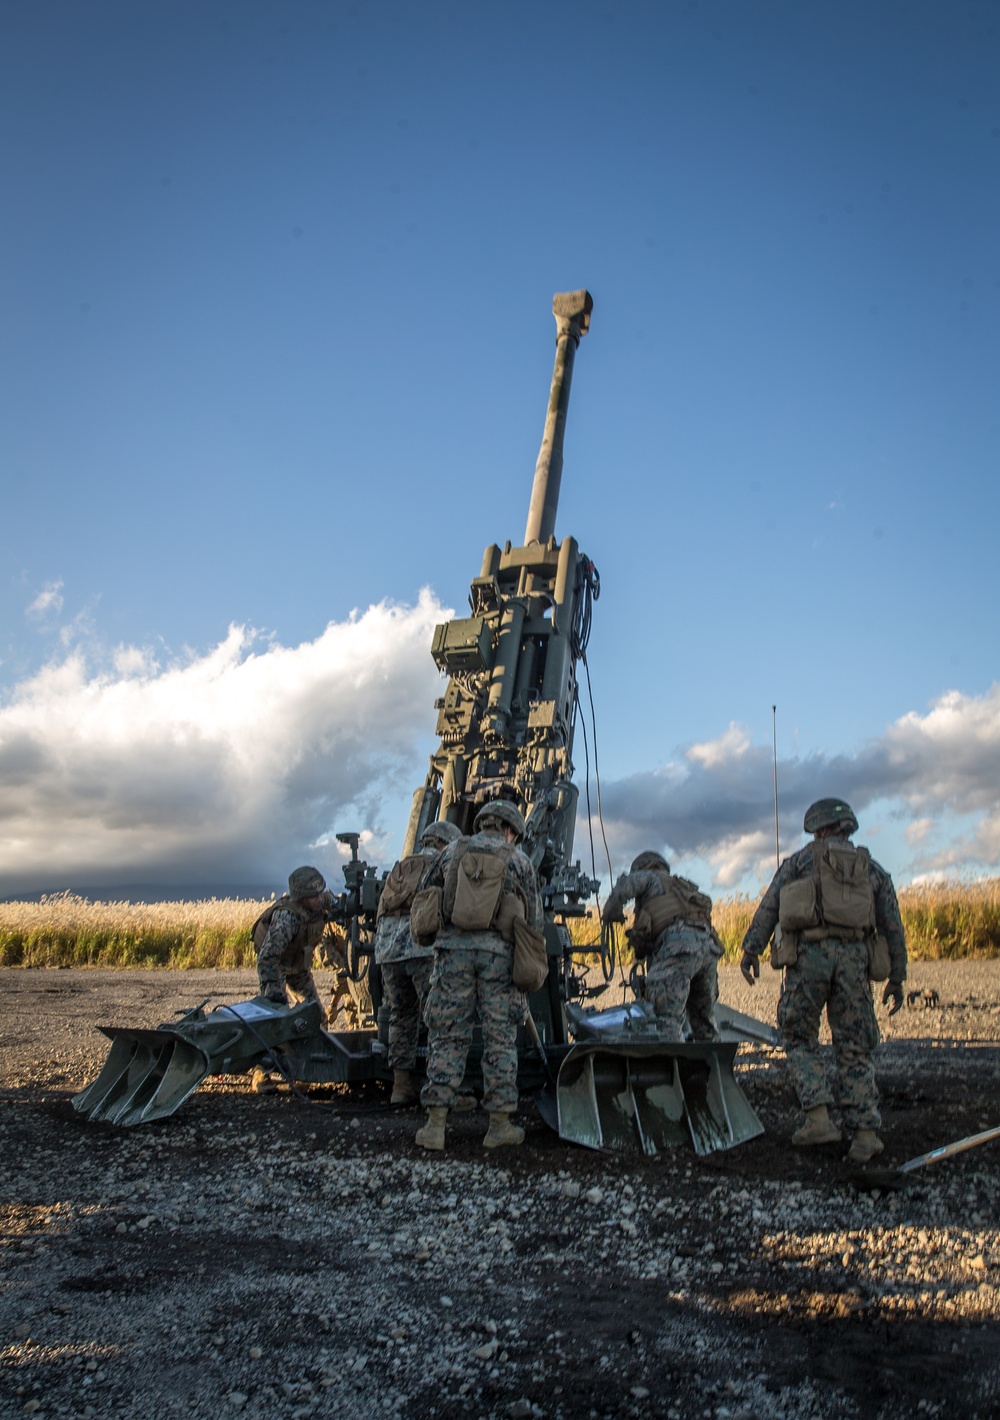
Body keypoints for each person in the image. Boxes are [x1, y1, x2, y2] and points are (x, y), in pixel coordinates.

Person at [738, 798, 907, 1164]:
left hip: (809, 959)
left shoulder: (800, 861)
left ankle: (818, 1119)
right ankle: (864, 1135)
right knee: (854, 1047)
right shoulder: (871, 869)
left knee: (798, 1035)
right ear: (847, 827)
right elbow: (893, 926)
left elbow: (769, 906)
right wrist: (897, 978)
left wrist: (751, 950)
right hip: (854, 960)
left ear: (819, 829)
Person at [414, 799, 544, 1152]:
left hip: (451, 954)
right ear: (509, 830)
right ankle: (499, 1126)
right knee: (500, 1039)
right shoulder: (519, 860)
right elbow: (534, 920)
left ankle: (435, 1127)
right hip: (498, 958)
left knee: (447, 1036)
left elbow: (426, 894)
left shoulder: (452, 851)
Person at [373, 820, 462, 1104]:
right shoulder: (440, 865)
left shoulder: (400, 868)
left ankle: (401, 1087)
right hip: (422, 952)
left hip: (388, 954)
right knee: (439, 1018)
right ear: (447, 843)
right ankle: (441, 1091)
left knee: (402, 1015)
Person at [601, 851, 722, 1041]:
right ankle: (712, 1065)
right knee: (703, 1020)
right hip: (708, 949)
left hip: (679, 948)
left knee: (665, 1021)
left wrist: (611, 912)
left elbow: (625, 886)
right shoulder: (682, 886)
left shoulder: (649, 877)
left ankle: (669, 1064)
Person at [252, 866, 331, 1006]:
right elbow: (267, 958)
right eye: (313, 896)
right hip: (276, 965)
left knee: (315, 1015)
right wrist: (273, 993)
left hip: (298, 967)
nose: (319, 899)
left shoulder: (320, 903)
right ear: (301, 898)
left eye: (320, 893)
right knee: (278, 1015)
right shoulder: (287, 918)